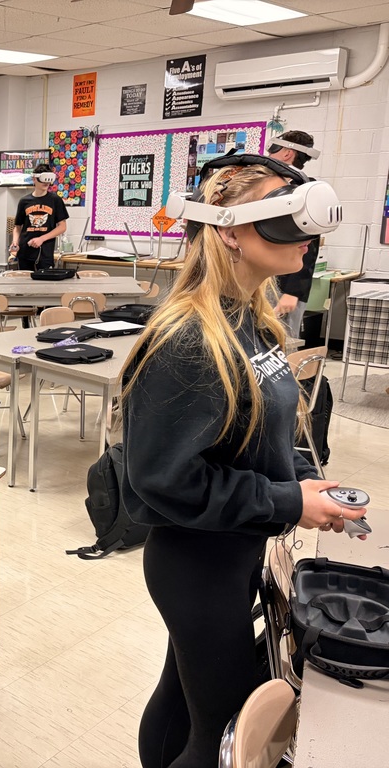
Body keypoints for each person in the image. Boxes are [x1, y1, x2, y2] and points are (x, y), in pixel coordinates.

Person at [123, 155, 365, 768]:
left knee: (182, 697)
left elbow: (260, 436)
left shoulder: (249, 319)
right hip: (196, 562)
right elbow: (162, 479)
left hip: (233, 548)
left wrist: (304, 483)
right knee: (223, 731)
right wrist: (286, 501)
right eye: (286, 218)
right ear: (229, 232)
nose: (306, 238)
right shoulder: (188, 340)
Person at [267, 131, 322, 336]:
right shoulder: (272, 187)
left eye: (273, 149)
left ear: (288, 153)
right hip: (264, 280)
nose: (268, 155)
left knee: (284, 343)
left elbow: (309, 246)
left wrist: (293, 292)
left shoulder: (304, 191)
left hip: (285, 286)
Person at [9, 163, 69, 271]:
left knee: (44, 281)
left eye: (48, 180)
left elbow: (62, 227)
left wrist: (41, 239)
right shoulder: (24, 201)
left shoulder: (55, 200)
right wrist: (15, 242)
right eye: (43, 180)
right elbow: (18, 227)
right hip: (25, 253)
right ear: (34, 179)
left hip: (45, 254)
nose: (46, 183)